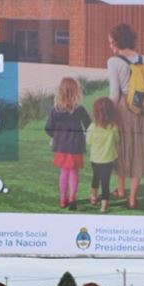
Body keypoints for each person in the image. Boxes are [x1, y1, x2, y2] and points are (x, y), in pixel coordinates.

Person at [107, 23, 144, 209]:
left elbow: (114, 94)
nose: (110, 45)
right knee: (139, 151)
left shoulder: (113, 62)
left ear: (117, 41)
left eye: (111, 41)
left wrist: (108, 115)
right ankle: (132, 197)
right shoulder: (142, 58)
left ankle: (120, 189)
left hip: (125, 109)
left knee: (122, 148)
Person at [45, 76, 92, 210]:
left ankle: (62, 199)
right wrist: (83, 134)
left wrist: (57, 136)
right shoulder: (80, 110)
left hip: (61, 146)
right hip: (76, 146)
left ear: (60, 91)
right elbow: (89, 126)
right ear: (76, 91)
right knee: (73, 173)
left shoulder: (54, 110)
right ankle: (72, 198)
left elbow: (48, 129)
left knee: (64, 172)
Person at [86, 96, 120, 213]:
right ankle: (104, 206)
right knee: (105, 182)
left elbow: (88, 141)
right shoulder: (114, 127)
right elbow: (117, 140)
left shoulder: (92, 127)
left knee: (95, 178)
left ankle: (93, 198)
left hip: (95, 159)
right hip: (108, 160)